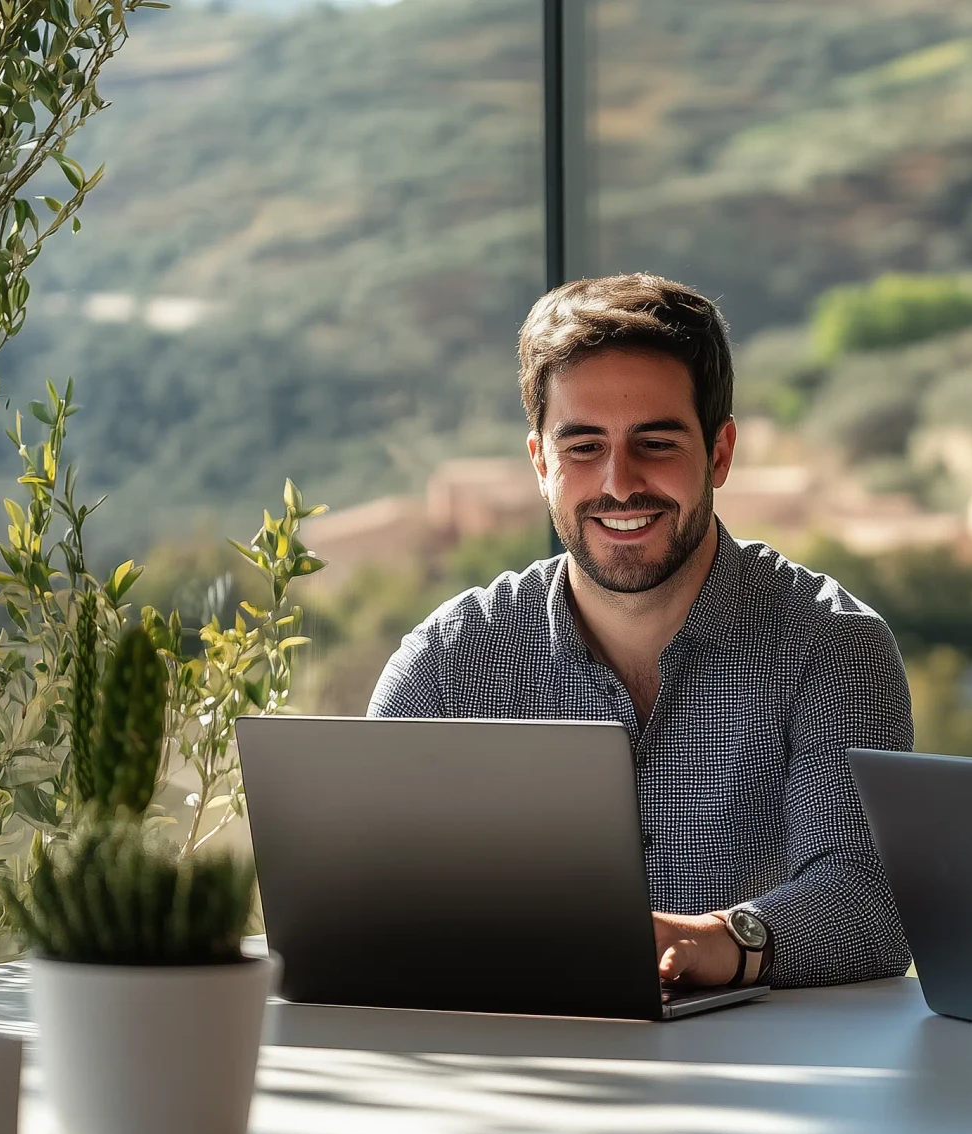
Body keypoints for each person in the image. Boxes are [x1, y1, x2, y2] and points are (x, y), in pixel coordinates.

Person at [368, 272, 914, 991]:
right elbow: (367, 899)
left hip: (762, 1056)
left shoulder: (834, 648)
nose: (619, 483)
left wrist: (721, 942)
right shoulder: (445, 666)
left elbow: (867, 903)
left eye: (655, 443)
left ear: (719, 453)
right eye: (583, 447)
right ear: (540, 463)